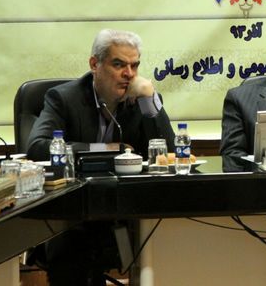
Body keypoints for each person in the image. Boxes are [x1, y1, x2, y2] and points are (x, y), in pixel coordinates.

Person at [27, 29, 175, 286]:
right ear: (94, 64)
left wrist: (150, 99)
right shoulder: (64, 98)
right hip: (75, 214)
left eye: (134, 65)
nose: (129, 74)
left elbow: (169, 153)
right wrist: (108, 149)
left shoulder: (142, 99)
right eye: (119, 64)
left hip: (126, 209)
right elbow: (38, 147)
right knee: (71, 250)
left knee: (166, 239)